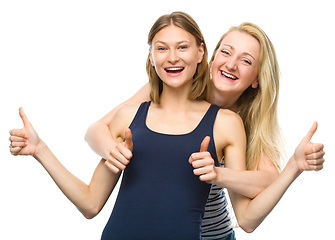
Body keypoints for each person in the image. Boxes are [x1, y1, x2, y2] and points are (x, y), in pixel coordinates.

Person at [84, 16, 325, 239]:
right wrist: (112, 152)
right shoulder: (171, 86)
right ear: (210, 57)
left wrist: (220, 174)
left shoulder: (242, 125)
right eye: (226, 52)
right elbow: (96, 130)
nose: (231, 64)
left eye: (246, 60)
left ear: (257, 78)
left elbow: (262, 193)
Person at [9, 12, 245, 239]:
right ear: (152, 56)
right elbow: (90, 203)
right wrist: (40, 150)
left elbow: (245, 215)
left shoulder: (225, 123)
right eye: (161, 48)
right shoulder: (128, 117)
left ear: (200, 52)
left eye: (182, 47)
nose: (172, 57)